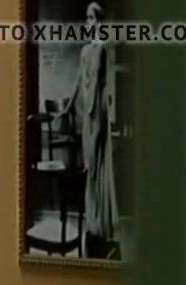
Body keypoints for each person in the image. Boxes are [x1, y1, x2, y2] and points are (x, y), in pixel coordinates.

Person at [58, 1, 120, 259]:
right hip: (87, 117)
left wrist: (103, 117)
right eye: (86, 18)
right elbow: (77, 82)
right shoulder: (85, 51)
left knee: (96, 167)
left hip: (99, 114)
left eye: (92, 18)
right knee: (89, 168)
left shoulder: (102, 49)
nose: (88, 23)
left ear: (99, 22)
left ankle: (100, 224)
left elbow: (104, 86)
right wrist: (67, 107)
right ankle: (92, 222)